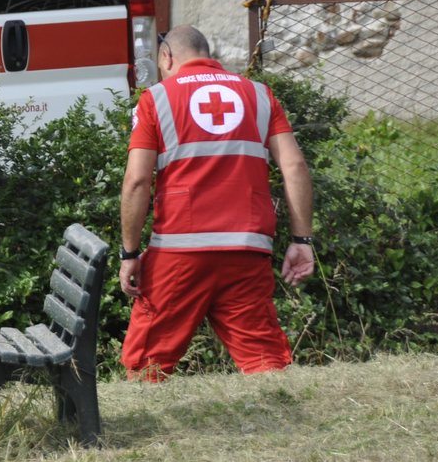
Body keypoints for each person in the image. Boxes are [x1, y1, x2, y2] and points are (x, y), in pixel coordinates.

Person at [118, 26, 315, 379]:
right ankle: (280, 416)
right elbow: (295, 166)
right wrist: (301, 241)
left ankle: (144, 423)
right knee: (264, 357)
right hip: (247, 247)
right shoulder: (259, 95)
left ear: (167, 57)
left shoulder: (156, 99)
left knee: (148, 361)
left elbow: (136, 182)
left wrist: (130, 253)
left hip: (180, 250)